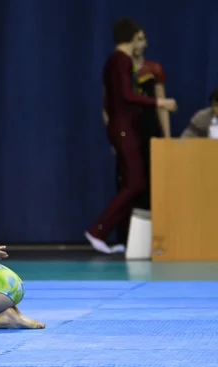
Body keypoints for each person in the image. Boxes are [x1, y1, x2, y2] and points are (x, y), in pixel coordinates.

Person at [87, 18, 177, 254]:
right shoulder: (121, 60)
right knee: (135, 182)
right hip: (124, 126)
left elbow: (111, 100)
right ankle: (98, 229)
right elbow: (126, 95)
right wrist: (160, 102)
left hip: (121, 127)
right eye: (140, 38)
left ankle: (102, 231)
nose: (143, 44)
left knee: (133, 182)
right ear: (132, 37)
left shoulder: (115, 62)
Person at [104, 27, 172, 242]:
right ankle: (127, 240)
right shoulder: (119, 67)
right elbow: (109, 106)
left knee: (147, 185)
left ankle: (150, 240)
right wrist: (115, 137)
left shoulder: (153, 69)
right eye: (139, 39)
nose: (142, 44)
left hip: (149, 132)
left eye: (143, 39)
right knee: (129, 183)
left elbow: (161, 105)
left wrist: (167, 138)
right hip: (129, 134)